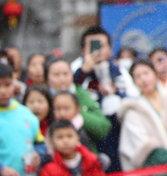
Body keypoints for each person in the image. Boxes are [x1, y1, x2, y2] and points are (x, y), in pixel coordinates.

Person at [71, 27, 138, 173]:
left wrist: (116, 95)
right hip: (88, 136)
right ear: (83, 50)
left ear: (110, 48)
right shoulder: (75, 70)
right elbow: (70, 94)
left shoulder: (119, 70)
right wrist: (83, 72)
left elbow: (134, 98)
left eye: (102, 46)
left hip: (116, 135)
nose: (98, 51)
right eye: (93, 46)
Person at [45, 58, 111, 148]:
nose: (62, 78)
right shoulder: (43, 97)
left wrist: (76, 112)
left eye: (65, 74)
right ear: (47, 78)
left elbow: (103, 128)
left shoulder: (80, 93)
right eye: (56, 75)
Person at [0, 63, 41, 176]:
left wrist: (39, 154)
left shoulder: (26, 113)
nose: (3, 91)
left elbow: (39, 142)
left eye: (7, 85)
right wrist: (1, 169)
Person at [39, 120, 105, 176]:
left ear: (78, 138)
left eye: (69, 136)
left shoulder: (92, 161)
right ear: (51, 142)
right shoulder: (49, 169)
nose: (65, 141)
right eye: (60, 137)